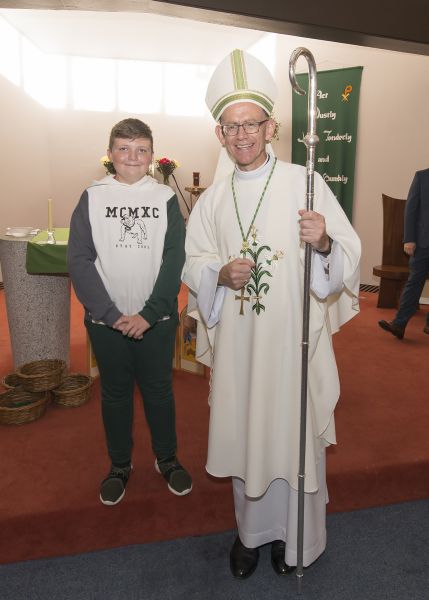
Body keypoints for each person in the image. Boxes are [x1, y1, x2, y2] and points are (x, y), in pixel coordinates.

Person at [182, 50, 361, 578]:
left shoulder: (306, 183)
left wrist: (323, 242)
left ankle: (296, 538)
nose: (242, 135)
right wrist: (217, 274)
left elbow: (345, 256)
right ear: (219, 133)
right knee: (247, 434)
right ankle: (251, 535)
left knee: (292, 435)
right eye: (231, 126)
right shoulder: (213, 201)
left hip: (290, 343)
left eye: (252, 124)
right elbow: (193, 261)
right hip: (240, 348)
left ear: (270, 127)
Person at [68, 118, 192, 506]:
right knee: (116, 394)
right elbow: (79, 260)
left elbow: (174, 258)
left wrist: (149, 314)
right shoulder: (93, 197)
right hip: (107, 322)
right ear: (110, 154)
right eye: (124, 148)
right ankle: (120, 465)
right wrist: (109, 314)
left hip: (156, 321)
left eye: (141, 150)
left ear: (152, 155)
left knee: (159, 391)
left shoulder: (165, 198)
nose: (132, 157)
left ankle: (167, 458)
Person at [378, 168, 429, 339]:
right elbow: (411, 209)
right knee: (414, 283)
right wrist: (409, 239)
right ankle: (399, 324)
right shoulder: (422, 176)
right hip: (423, 243)